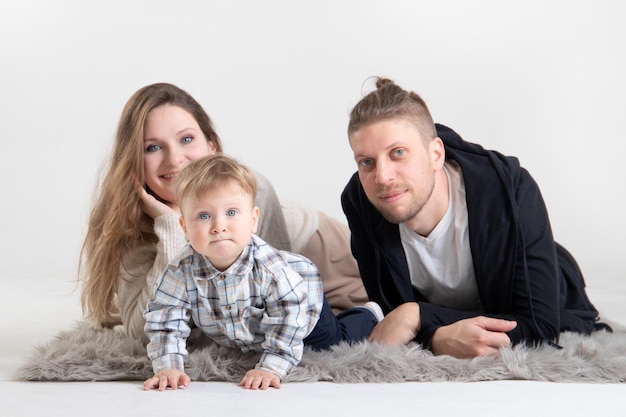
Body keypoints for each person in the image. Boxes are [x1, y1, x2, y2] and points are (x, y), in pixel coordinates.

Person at [341, 77, 610, 359]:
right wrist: (434, 333)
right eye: (366, 162)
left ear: (436, 154)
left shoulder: (510, 188)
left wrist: (419, 315)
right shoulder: (360, 201)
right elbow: (392, 319)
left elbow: (540, 329)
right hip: (455, 306)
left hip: (553, 296)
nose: (382, 177)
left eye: (398, 153)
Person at [79, 83, 368, 343]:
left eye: (187, 139)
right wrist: (169, 227)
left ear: (212, 146)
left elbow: (266, 306)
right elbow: (144, 332)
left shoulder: (253, 190)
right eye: (153, 147)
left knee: (328, 336)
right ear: (133, 162)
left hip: (324, 255)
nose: (174, 158)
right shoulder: (132, 221)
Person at [143, 154, 381, 391]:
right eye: (204, 216)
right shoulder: (181, 270)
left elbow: (288, 317)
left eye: (232, 212)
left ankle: (366, 314)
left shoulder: (270, 269)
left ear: (253, 220)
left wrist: (270, 367)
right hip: (253, 328)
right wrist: (168, 366)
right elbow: (166, 319)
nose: (219, 226)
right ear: (184, 227)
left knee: (332, 342)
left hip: (302, 303)